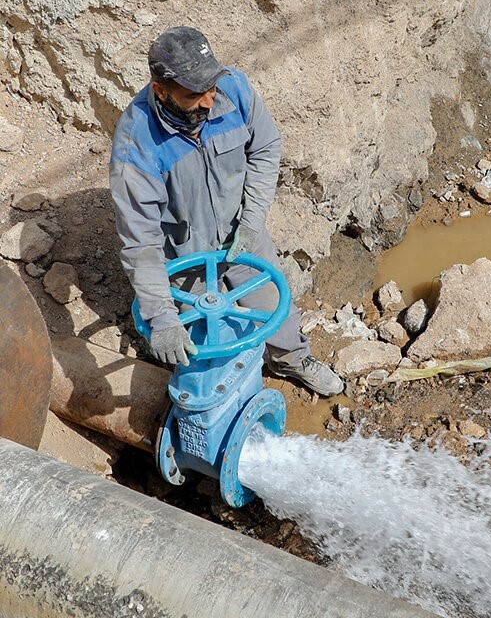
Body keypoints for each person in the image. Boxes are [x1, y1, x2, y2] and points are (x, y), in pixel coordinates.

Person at [109, 26, 344, 396]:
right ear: (160, 90)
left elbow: (266, 148)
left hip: (241, 235)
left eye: (210, 88)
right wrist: (163, 318)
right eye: (193, 94)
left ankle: (292, 360)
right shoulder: (136, 145)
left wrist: (251, 222)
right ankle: (224, 393)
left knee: (274, 311)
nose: (207, 101)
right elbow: (142, 242)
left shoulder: (234, 89)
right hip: (186, 258)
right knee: (203, 346)